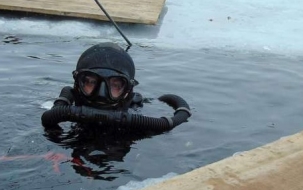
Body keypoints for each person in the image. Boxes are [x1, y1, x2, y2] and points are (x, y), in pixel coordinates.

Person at [41, 42, 191, 132]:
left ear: (127, 91)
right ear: (78, 84)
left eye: (115, 85)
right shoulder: (62, 110)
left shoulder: (137, 117)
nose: (101, 94)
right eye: (91, 82)